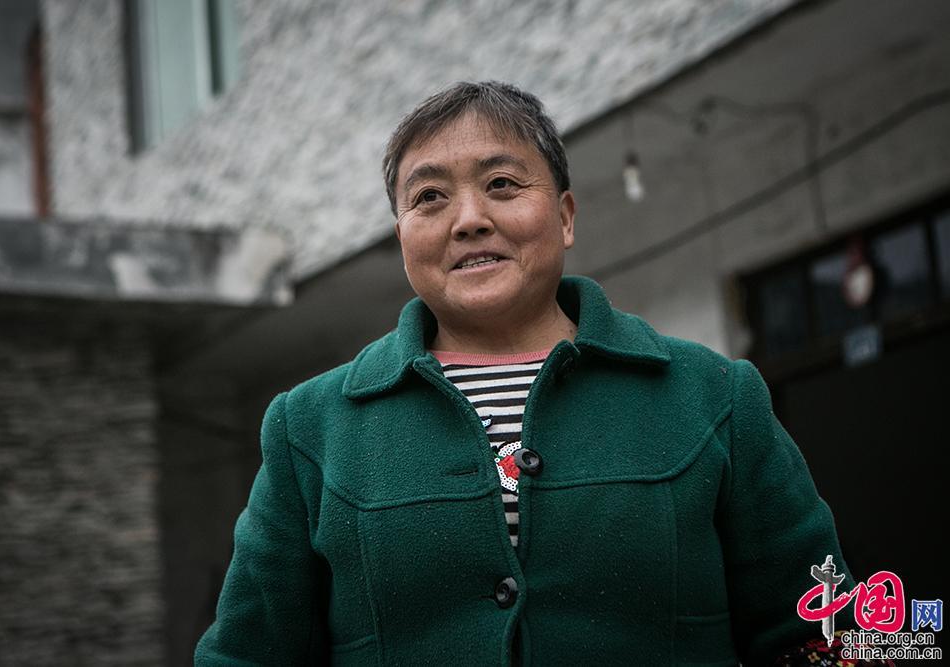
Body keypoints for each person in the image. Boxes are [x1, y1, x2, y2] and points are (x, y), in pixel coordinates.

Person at [196, 81, 861, 665]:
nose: (469, 220)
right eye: (429, 197)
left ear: (565, 216)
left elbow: (827, 634)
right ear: (402, 237)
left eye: (503, 185)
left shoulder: (714, 396)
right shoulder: (311, 428)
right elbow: (247, 655)